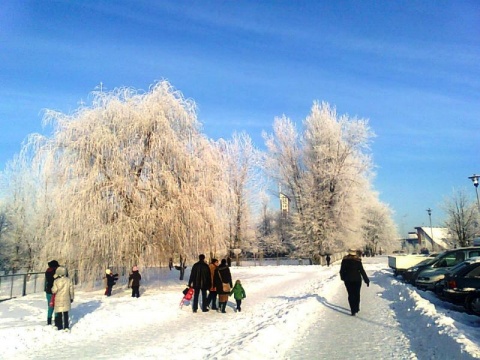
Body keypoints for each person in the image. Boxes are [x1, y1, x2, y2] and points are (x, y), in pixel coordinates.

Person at [340, 249, 370, 316]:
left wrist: (343, 278)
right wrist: (366, 280)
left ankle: (353, 310)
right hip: (357, 280)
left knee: (350, 294)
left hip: (348, 280)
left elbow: (342, 270)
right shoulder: (358, 261)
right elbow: (362, 271)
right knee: (357, 294)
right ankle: (356, 308)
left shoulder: (344, 261)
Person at [51, 266, 74, 331]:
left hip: (58, 299)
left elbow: (54, 290)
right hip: (66, 298)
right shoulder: (68, 280)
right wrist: (71, 297)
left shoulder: (56, 281)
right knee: (66, 313)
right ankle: (66, 326)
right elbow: (71, 290)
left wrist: (52, 289)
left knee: (59, 313)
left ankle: (60, 326)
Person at [44, 260, 59, 325]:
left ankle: (49, 320)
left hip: (48, 291)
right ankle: (56, 320)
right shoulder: (55, 272)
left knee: (50, 306)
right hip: (55, 291)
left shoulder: (47, 271)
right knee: (56, 306)